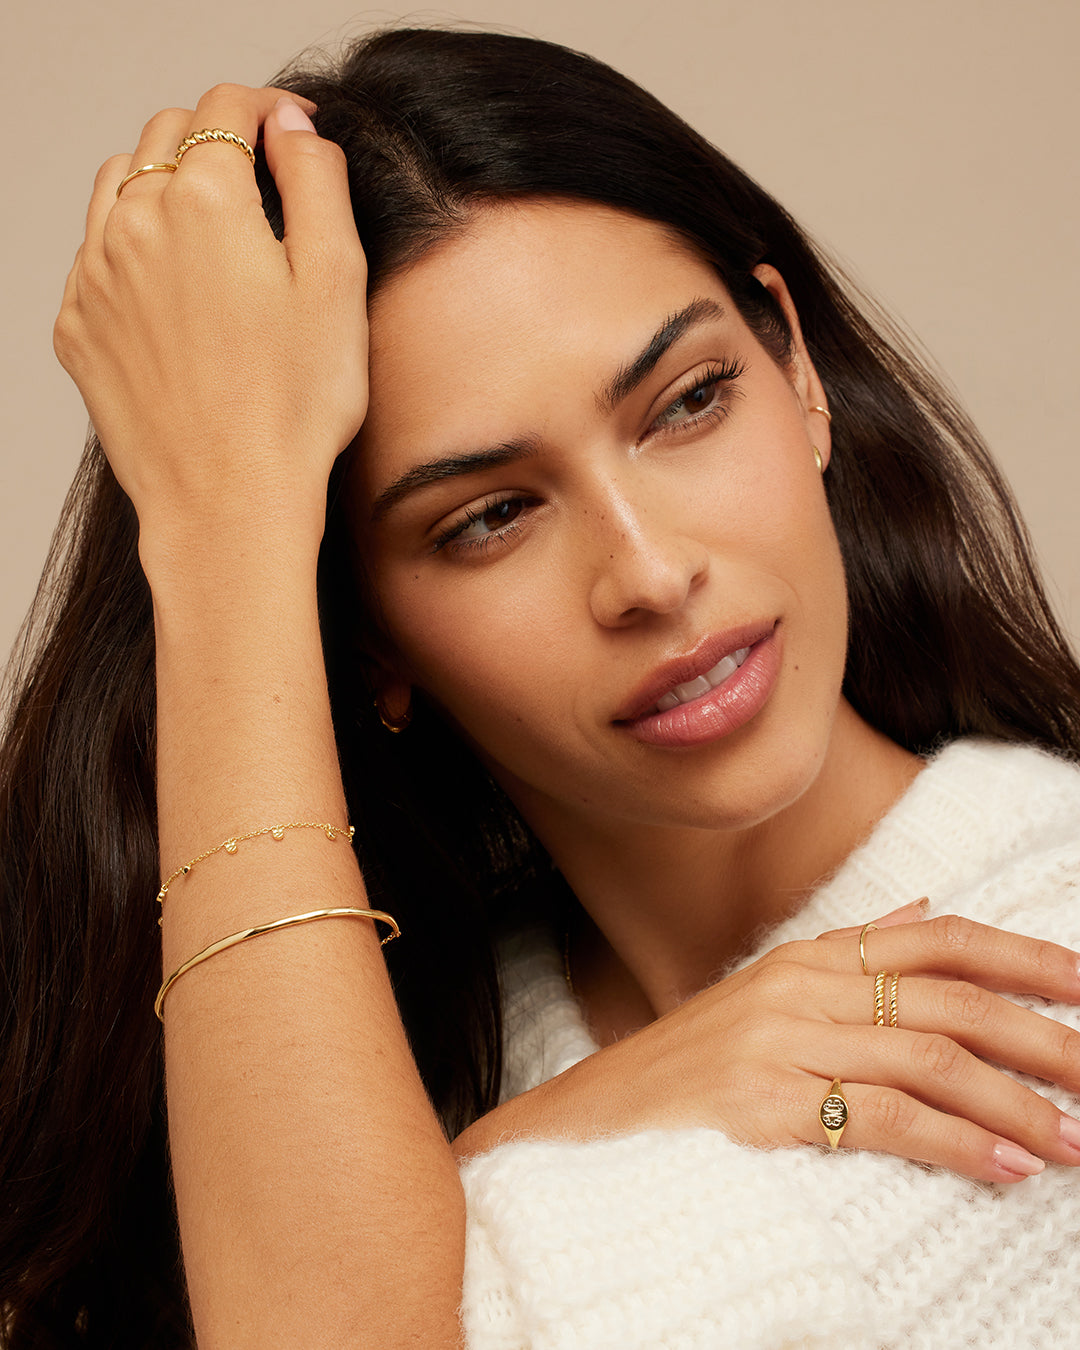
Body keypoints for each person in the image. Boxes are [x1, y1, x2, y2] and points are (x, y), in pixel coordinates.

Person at [3, 24, 1080, 1349]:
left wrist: (217, 528)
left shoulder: (1039, 984)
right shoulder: (427, 1047)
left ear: (796, 368)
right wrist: (564, 1114)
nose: (651, 573)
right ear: (367, 640)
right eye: (490, 516)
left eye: (687, 403)